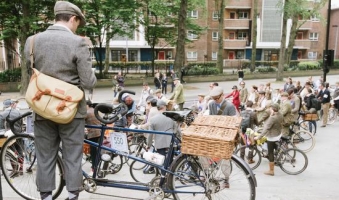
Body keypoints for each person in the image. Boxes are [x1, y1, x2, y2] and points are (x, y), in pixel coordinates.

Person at [24, 2, 97, 200]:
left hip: (42, 108)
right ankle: (72, 196)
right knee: (72, 157)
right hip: (71, 112)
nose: (77, 28)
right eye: (77, 23)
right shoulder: (78, 43)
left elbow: (26, 79)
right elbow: (88, 82)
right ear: (73, 19)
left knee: (45, 157)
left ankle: (46, 197)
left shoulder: (32, 41)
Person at [208, 86, 236, 188]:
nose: (215, 101)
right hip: (215, 134)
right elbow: (211, 118)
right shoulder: (211, 104)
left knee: (225, 158)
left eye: (217, 98)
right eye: (213, 98)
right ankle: (211, 175)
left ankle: (226, 178)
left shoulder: (229, 106)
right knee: (212, 156)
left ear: (222, 95)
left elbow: (234, 122)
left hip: (226, 135)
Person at [254, 103, 283, 176]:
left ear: (273, 109)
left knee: (270, 153)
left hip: (272, 137)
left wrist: (259, 137)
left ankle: (271, 170)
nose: (269, 109)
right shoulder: (280, 114)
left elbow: (266, 128)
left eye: (270, 108)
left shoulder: (272, 118)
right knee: (276, 149)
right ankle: (279, 158)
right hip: (278, 134)